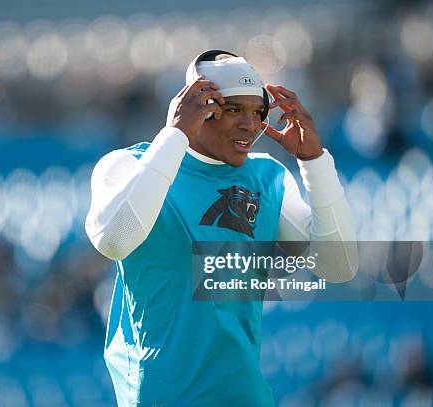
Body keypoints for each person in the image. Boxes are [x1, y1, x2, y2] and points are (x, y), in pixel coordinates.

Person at [85, 50, 358, 406]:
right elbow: (115, 240)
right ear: (198, 105)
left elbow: (339, 266)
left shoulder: (267, 177)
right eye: (234, 110)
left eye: (258, 112)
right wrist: (175, 135)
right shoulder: (127, 165)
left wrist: (315, 163)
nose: (251, 125)